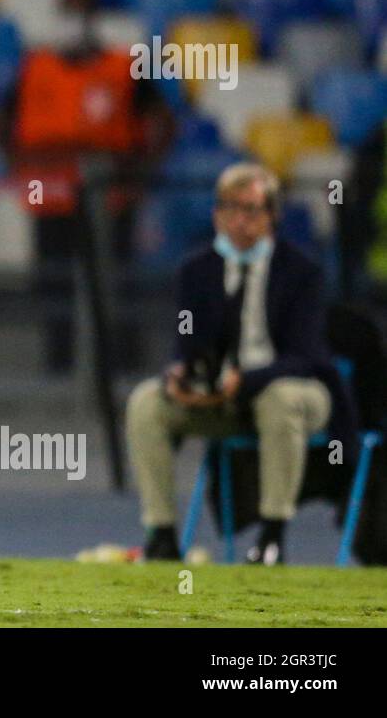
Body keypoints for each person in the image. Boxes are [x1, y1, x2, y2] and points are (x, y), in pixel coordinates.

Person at [126, 163, 340, 565]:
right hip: (223, 399)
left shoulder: (302, 272)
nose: (240, 220)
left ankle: (272, 538)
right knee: (146, 402)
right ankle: (163, 536)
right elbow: (186, 342)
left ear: (272, 215)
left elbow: (305, 356)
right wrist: (180, 374)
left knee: (280, 398)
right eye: (230, 209)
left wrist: (247, 380)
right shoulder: (196, 272)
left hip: (293, 391)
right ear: (216, 215)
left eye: (252, 210)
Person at [0, 0, 174, 372]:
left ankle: (122, 367)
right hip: (51, 190)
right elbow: (2, 120)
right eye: (67, 14)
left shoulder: (124, 67)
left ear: (96, 21)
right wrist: (17, 167)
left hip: (109, 192)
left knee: (114, 281)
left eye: (82, 14)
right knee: (54, 280)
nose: (74, 24)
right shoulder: (34, 66)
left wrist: (142, 171)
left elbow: (163, 121)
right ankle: (58, 364)